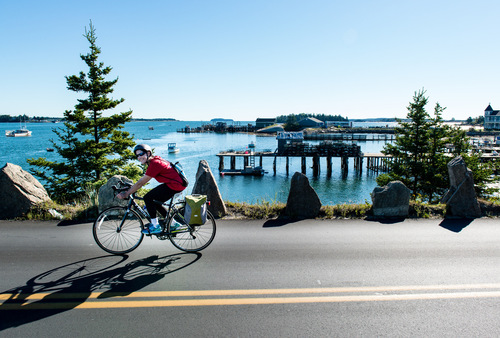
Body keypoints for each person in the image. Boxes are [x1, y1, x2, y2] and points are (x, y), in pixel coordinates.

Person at [117, 144, 187, 234]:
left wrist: (126, 194)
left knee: (148, 198)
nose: (139, 157)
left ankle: (155, 226)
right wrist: (131, 188)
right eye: (137, 155)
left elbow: (141, 183)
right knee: (155, 202)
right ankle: (173, 224)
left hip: (175, 185)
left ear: (148, 153)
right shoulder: (154, 161)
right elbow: (141, 181)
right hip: (175, 184)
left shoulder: (155, 164)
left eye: (141, 154)